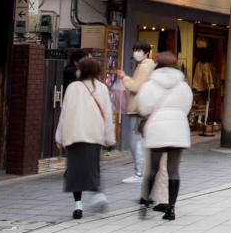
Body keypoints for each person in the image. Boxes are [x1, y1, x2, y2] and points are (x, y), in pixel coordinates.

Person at [55, 56, 114, 219]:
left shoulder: (73, 87)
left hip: (74, 133)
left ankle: (78, 205)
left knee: (74, 170)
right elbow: (107, 115)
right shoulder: (102, 88)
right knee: (93, 167)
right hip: (94, 134)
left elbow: (64, 113)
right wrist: (109, 137)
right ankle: (98, 195)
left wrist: (59, 135)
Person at [136, 51, 193, 221]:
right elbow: (186, 107)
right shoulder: (183, 85)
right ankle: (171, 209)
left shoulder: (150, 85)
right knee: (173, 170)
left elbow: (144, 108)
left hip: (157, 128)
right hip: (178, 128)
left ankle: (145, 206)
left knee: (153, 169)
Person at [116, 41, 155, 184]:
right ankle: (142, 172)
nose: (136, 53)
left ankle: (139, 173)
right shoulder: (147, 65)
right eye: (135, 50)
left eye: (139, 50)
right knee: (141, 141)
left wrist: (124, 77)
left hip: (138, 107)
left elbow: (136, 87)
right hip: (142, 107)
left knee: (135, 141)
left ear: (146, 52)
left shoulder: (145, 66)